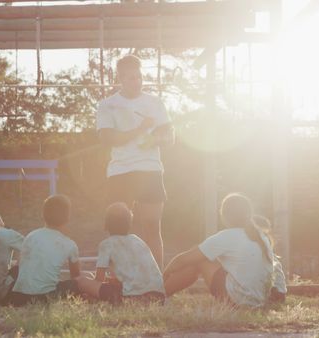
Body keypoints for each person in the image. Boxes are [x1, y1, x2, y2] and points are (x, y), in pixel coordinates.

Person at [96, 54, 175, 269]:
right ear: (120, 78)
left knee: (152, 226)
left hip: (150, 170)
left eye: (139, 76)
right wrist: (139, 130)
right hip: (120, 171)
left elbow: (169, 138)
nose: (136, 81)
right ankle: (117, 282)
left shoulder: (155, 103)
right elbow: (107, 139)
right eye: (131, 78)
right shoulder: (107, 104)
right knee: (117, 228)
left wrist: (153, 139)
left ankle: (156, 283)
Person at [162, 193, 285, 307]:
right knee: (205, 256)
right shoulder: (260, 236)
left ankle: (160, 296)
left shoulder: (227, 236)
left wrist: (165, 273)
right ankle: (162, 295)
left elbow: (182, 260)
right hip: (266, 299)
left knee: (199, 260)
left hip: (239, 302)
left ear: (224, 215)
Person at [77, 202, 165, 304]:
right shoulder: (137, 240)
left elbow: (99, 280)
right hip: (158, 297)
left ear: (106, 224)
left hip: (131, 298)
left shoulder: (107, 244)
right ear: (129, 223)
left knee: (82, 281)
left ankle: (89, 298)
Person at [9, 195, 81, 306]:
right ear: (68, 217)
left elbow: (20, 267)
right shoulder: (70, 244)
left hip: (18, 298)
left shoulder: (31, 236)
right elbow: (76, 277)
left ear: (43, 215)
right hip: (45, 298)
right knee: (82, 282)